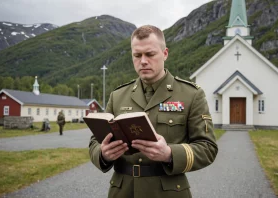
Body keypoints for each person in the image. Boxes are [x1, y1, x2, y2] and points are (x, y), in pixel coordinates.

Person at [89, 25, 218, 198]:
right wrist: (103, 153)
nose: (143, 61)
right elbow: (95, 141)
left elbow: (207, 148)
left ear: (165, 54)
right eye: (137, 55)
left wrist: (169, 154)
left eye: (150, 54)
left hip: (168, 192)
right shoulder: (118, 95)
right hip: (123, 191)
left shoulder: (191, 95)